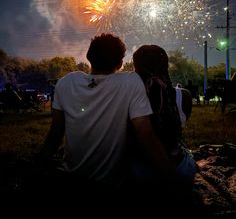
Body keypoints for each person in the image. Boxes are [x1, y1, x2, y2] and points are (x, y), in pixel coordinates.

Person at [33, 34, 175, 200]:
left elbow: (55, 134)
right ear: (120, 63)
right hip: (110, 188)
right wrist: (173, 181)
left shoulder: (66, 82)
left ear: (89, 57)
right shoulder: (130, 82)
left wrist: (36, 169)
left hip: (71, 180)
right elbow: (146, 136)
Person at [132, 45, 197, 189]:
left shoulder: (128, 98)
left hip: (138, 173)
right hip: (181, 172)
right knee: (185, 153)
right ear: (166, 65)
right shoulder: (184, 96)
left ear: (135, 68)